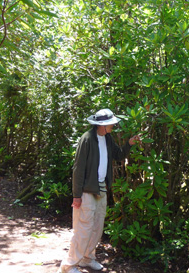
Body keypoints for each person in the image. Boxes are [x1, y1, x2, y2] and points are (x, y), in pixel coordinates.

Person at [58, 108, 141, 273]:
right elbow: (78, 169)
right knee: (83, 229)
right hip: (87, 191)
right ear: (101, 125)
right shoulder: (87, 139)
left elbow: (118, 155)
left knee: (97, 227)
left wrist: (129, 144)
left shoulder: (107, 138)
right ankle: (69, 265)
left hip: (101, 189)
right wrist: (76, 195)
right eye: (111, 124)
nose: (113, 126)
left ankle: (87, 259)